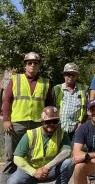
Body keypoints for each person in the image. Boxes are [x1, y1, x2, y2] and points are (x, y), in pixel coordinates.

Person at [1, 52, 53, 183]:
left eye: (35, 63)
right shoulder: (16, 79)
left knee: (33, 159)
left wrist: (48, 124)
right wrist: (6, 119)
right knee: (10, 158)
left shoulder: (45, 83)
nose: (32, 65)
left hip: (37, 125)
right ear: (25, 65)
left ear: (39, 66)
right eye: (29, 63)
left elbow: (49, 106)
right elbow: (6, 100)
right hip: (16, 124)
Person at [7, 106, 73, 184]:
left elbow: (67, 152)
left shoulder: (62, 134)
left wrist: (47, 167)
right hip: (30, 171)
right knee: (13, 182)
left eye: (55, 121)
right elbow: (17, 158)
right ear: (42, 122)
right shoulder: (30, 135)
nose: (51, 124)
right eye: (48, 122)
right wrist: (34, 172)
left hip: (49, 171)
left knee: (69, 163)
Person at [53, 62, 88, 141]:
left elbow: (87, 109)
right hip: (59, 128)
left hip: (77, 129)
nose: (70, 77)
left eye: (73, 74)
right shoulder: (57, 89)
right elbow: (51, 108)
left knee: (74, 152)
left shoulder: (84, 89)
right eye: (68, 74)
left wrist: (82, 124)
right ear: (64, 75)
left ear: (77, 76)